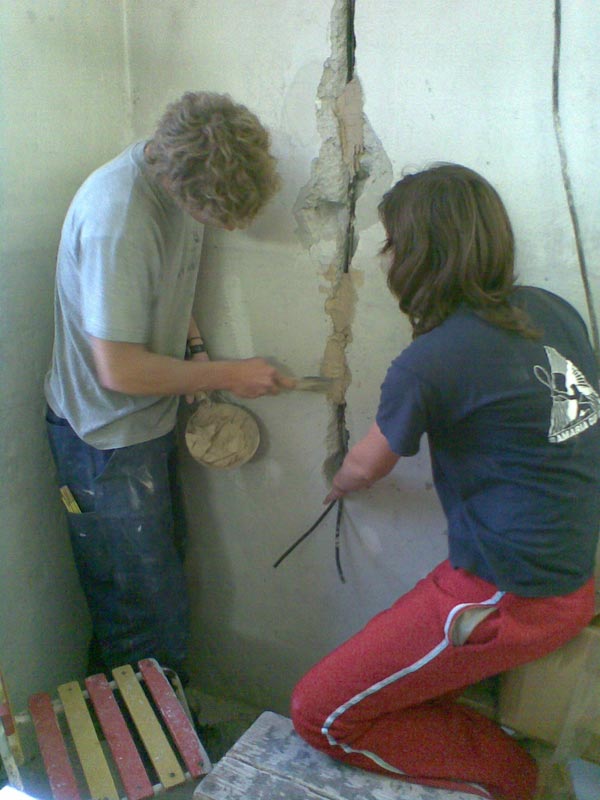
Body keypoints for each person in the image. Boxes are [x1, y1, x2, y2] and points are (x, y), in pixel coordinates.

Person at [291, 164, 600, 800]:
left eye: (392, 243)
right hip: (570, 571)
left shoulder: (431, 361)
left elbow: (369, 464)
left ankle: (519, 781)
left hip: (511, 593)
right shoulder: (551, 309)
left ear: (419, 255)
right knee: (408, 685)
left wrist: (338, 479)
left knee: (320, 713)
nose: (385, 257)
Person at [44, 91, 294, 681]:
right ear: (183, 187)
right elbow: (120, 371)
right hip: (103, 440)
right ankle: (141, 729)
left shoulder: (175, 180)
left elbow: (165, 291)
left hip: (143, 422)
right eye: (212, 215)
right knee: (142, 615)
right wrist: (232, 373)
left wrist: (199, 362)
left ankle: (145, 716)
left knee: (153, 588)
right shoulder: (119, 224)